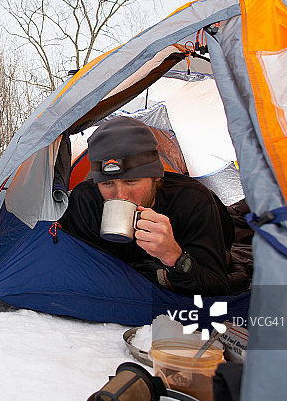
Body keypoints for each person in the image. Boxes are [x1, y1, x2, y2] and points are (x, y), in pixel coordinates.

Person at [59, 116, 239, 296]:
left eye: (131, 181)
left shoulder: (192, 201)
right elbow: (82, 273)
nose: (120, 196)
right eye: (107, 184)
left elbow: (216, 286)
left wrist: (173, 255)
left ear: (156, 177)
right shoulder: (85, 201)